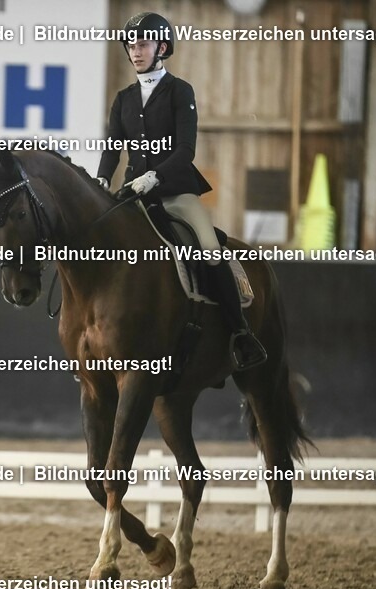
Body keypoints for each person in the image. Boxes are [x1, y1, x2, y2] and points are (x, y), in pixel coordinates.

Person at [96, 12, 267, 371]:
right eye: (131, 46)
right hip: (131, 195)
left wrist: (154, 177)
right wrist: (100, 179)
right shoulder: (124, 98)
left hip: (175, 193)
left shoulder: (179, 91)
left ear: (161, 47)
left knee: (209, 249)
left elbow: (185, 150)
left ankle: (240, 333)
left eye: (142, 44)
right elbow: (113, 147)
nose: (135, 52)